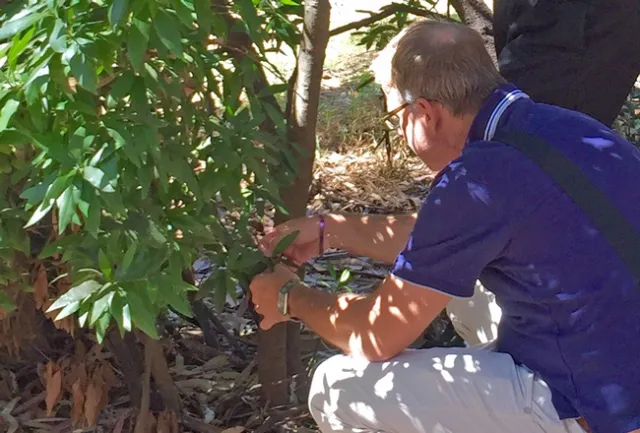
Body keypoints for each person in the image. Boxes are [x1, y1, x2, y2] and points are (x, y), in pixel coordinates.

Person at [249, 20, 640, 433]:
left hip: (596, 410)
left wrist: (290, 297)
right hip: (614, 367)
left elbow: (374, 334)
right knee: (460, 295)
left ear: (424, 114)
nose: (400, 132)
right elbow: (444, 237)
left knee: (335, 388)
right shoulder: (569, 129)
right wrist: (332, 228)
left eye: (396, 117)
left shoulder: (476, 178)